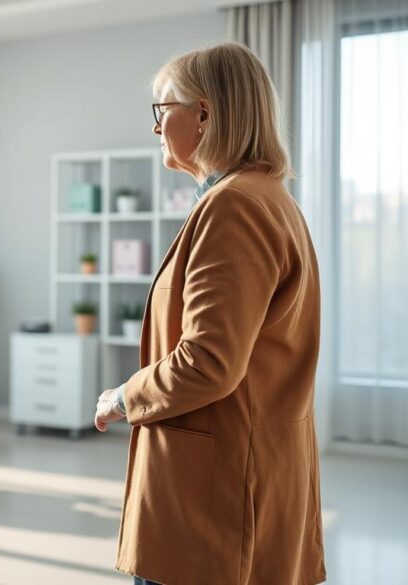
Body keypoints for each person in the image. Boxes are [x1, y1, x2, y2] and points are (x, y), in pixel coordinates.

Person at [93, 43, 325, 585]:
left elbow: (208, 363)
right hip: (248, 475)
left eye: (162, 109)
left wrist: (125, 396)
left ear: (204, 113)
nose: (155, 128)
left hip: (213, 499)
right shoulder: (266, 196)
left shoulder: (234, 205)